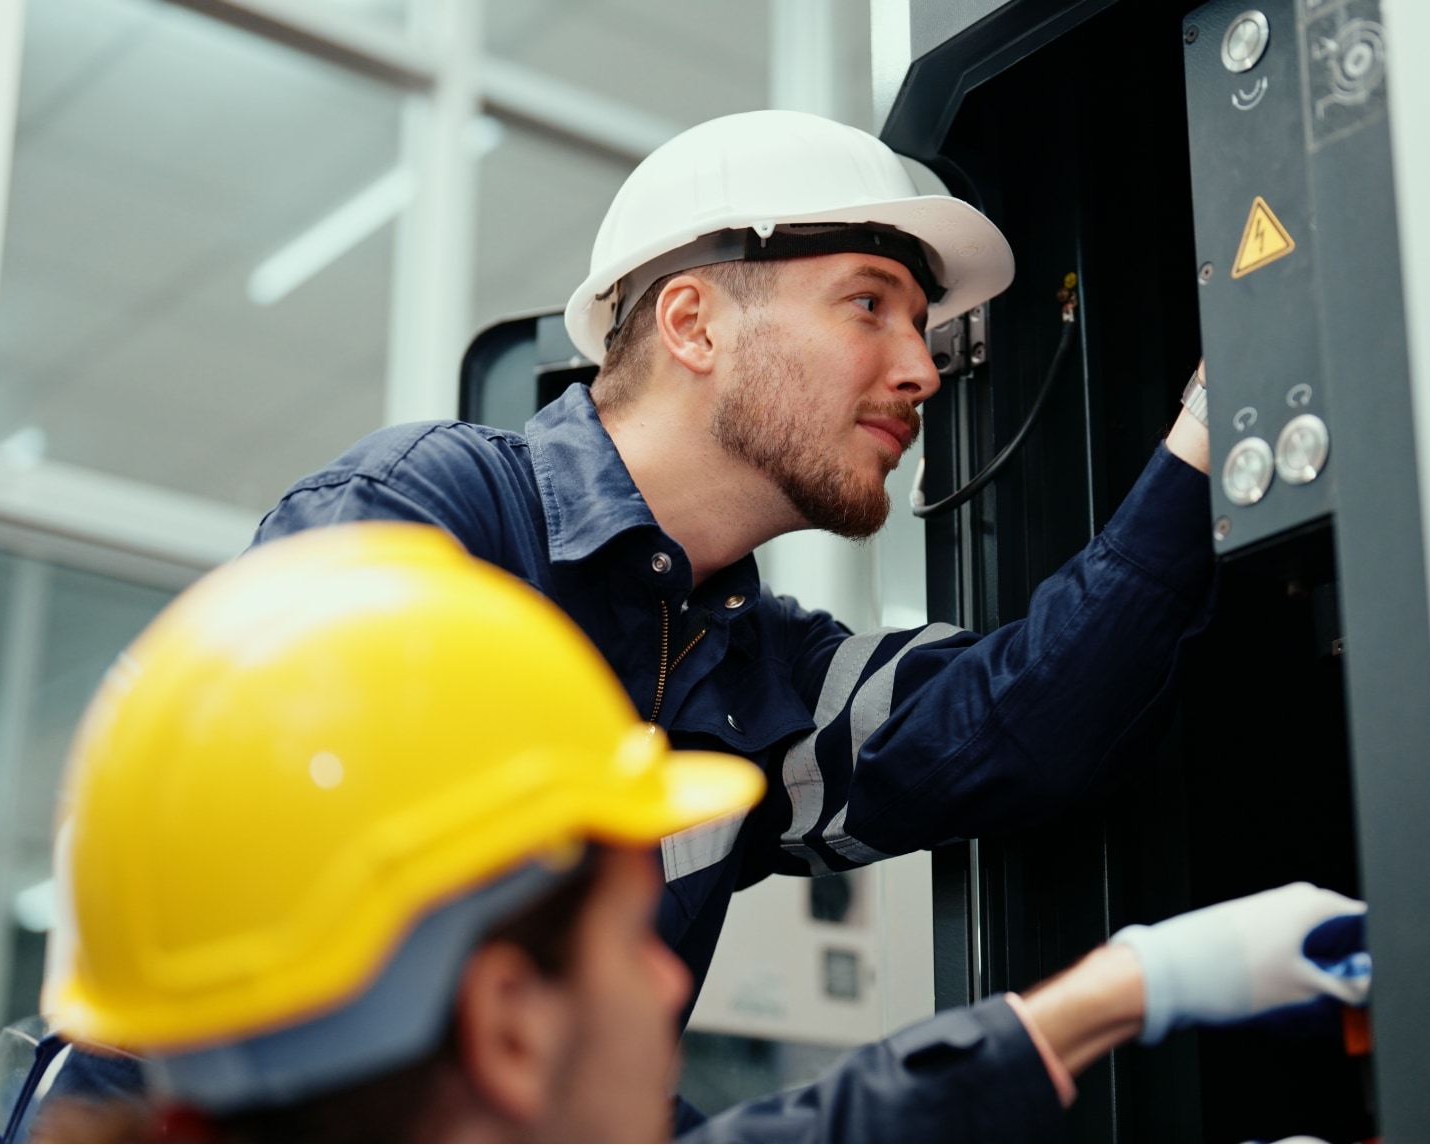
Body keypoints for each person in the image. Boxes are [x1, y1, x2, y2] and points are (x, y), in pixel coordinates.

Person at [250, 111, 1216, 1131]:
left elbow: (1025, 719)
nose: (921, 370)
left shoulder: (753, 668)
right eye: (867, 305)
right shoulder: (426, 519)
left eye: (920, 326)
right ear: (693, 322)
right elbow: (366, 1022)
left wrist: (1208, 436)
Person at [24, 524, 1366, 1143]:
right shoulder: (436, 505)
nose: (672, 975)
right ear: (502, 1020)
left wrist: (1131, 987)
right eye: (626, 936)